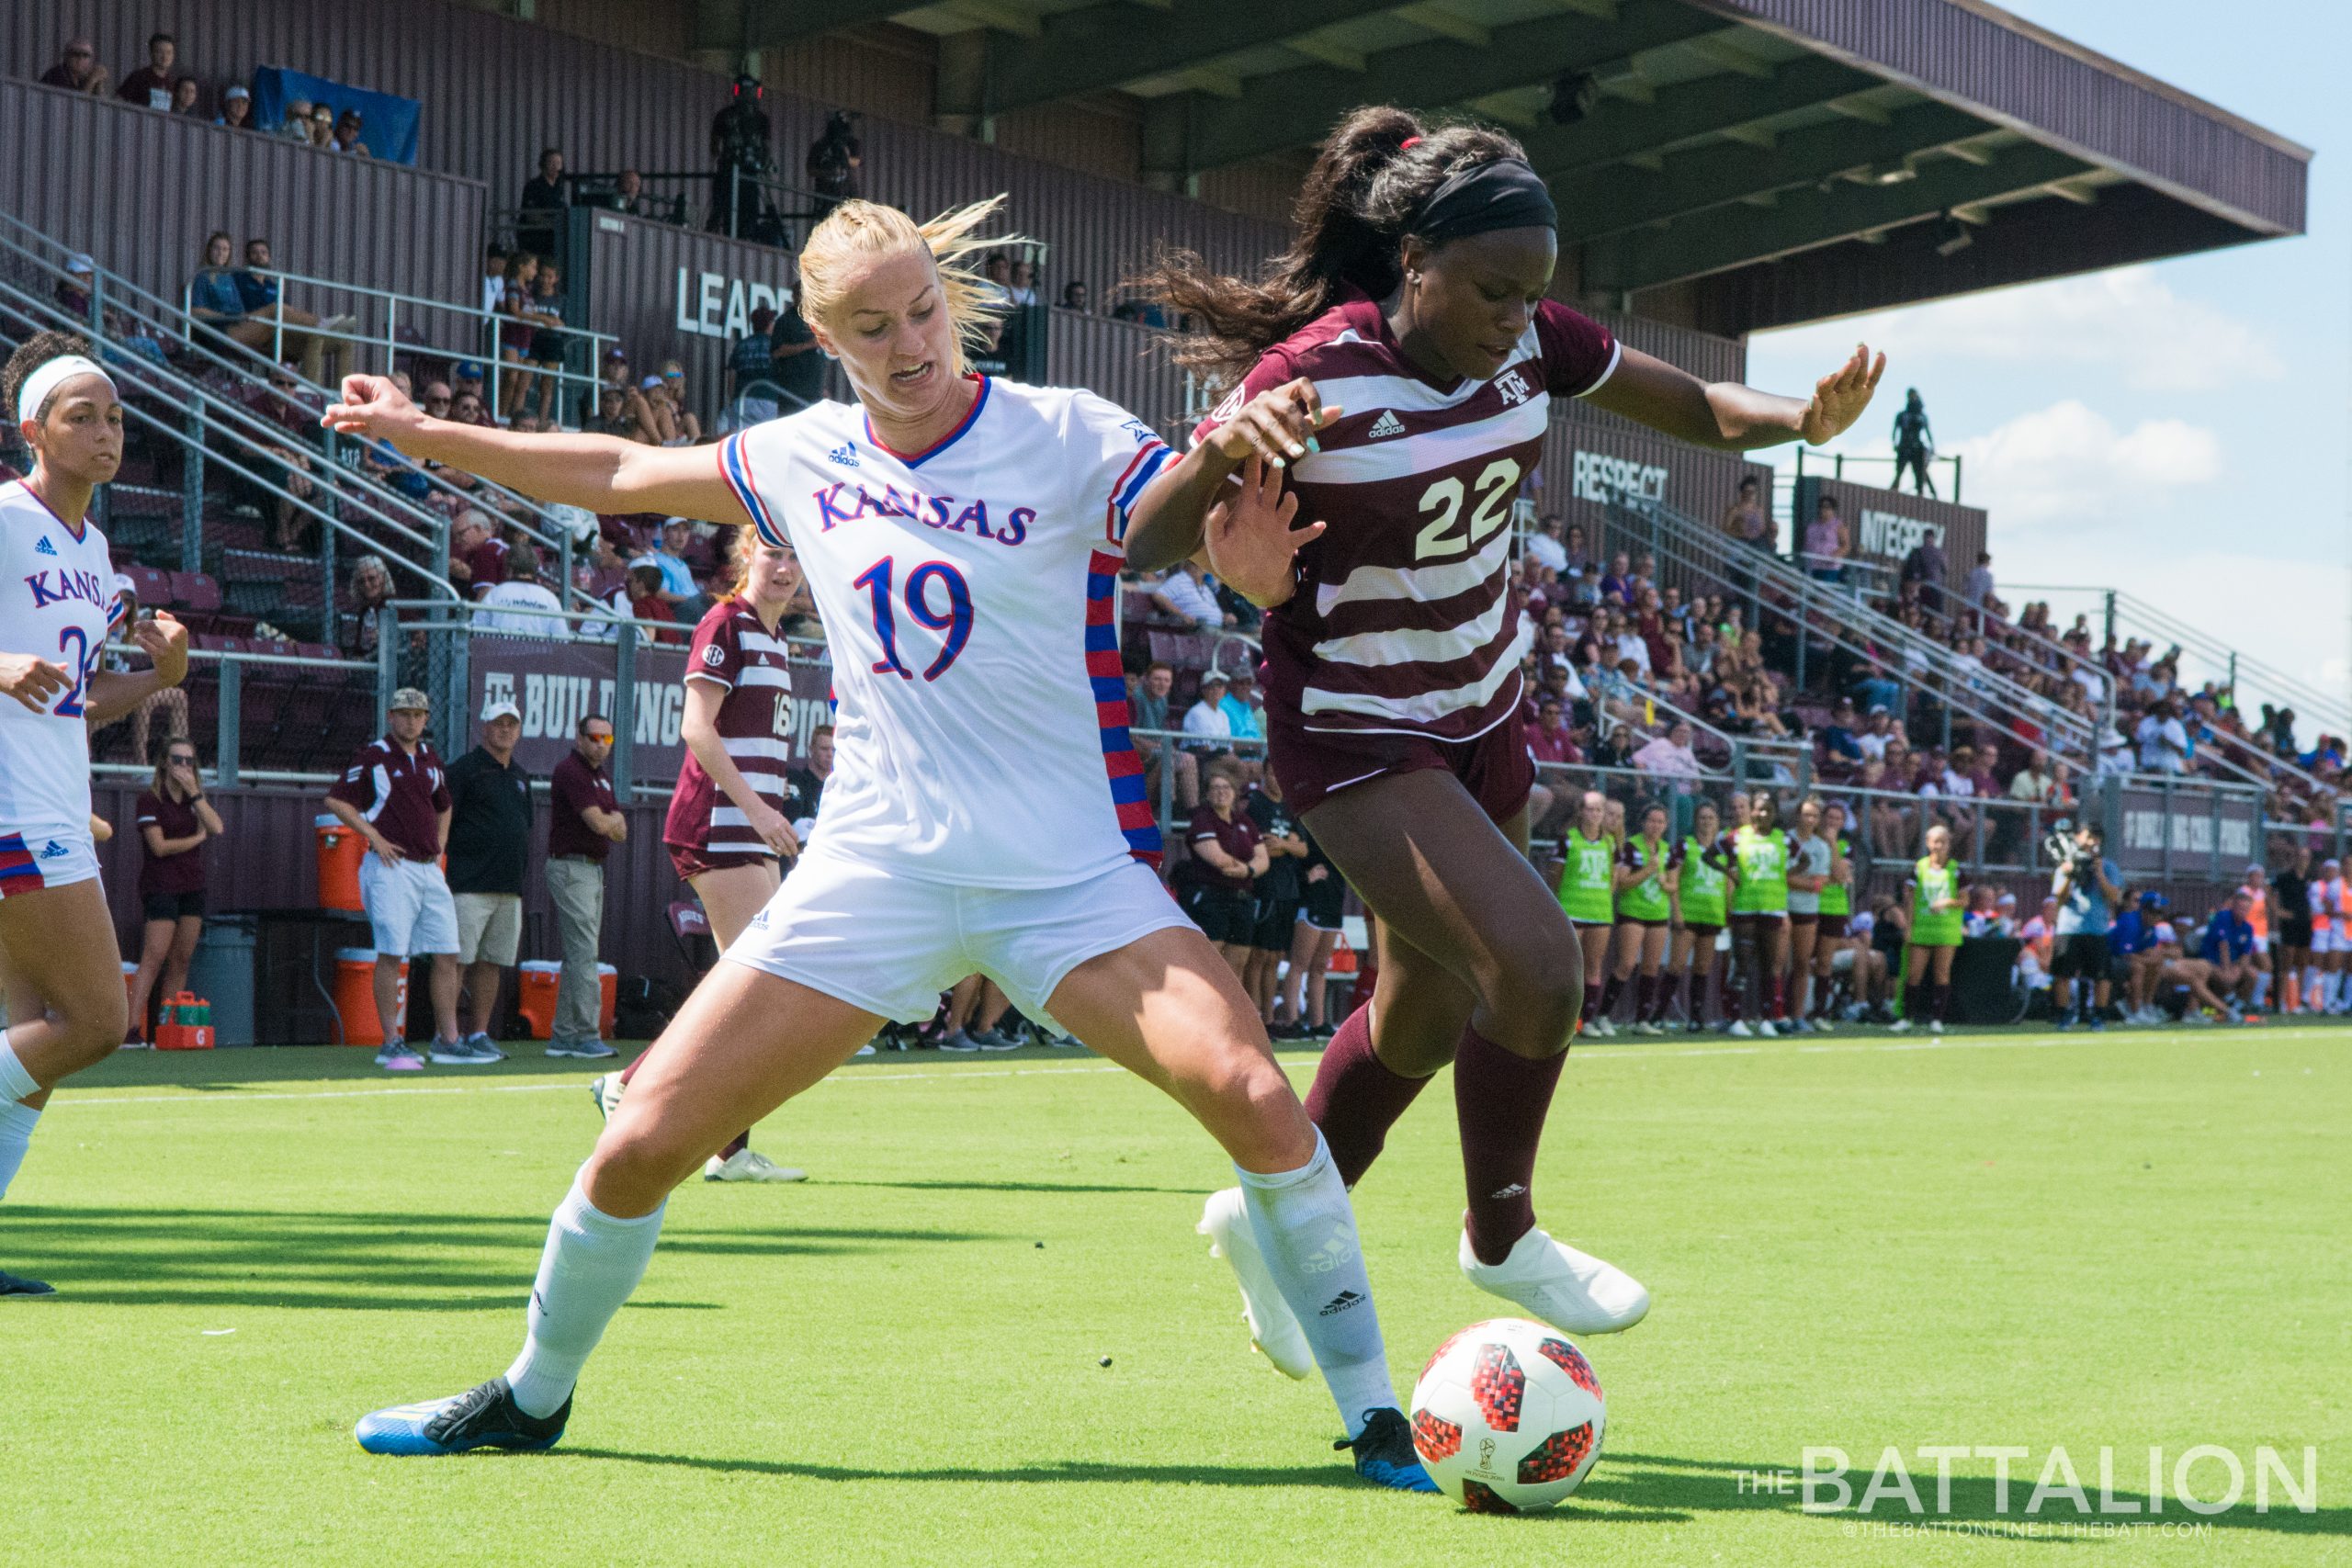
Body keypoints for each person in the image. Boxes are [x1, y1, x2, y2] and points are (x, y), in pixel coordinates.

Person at [328, 192, 1435, 1488]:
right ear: (824, 337)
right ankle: (531, 1393)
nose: (914, 344)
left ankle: (1374, 1415)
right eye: (874, 327)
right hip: (873, 874)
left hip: (1070, 880)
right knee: (636, 1143)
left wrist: (1242, 540)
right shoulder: (801, 455)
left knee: (1256, 1097)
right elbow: (617, 473)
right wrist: (423, 432)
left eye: (925, 310)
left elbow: (1170, 519)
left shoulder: (1067, 431)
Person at [1136, 105, 1881, 1341]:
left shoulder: (1532, 342)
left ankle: (1274, 1224)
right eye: (1492, 291)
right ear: (1413, 261)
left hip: (1483, 713)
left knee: (1422, 1012)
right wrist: (1225, 455)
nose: (1516, 317)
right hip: (1356, 729)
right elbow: (1152, 536)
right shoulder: (1312, 375)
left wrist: (1801, 420)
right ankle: (1502, 1234)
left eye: (1534, 295)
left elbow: (1696, 404)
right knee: (1539, 969)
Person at [0, 335, 190, 1295]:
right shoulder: (2, 516)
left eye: (114, 415)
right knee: (98, 1022)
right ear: (32, 430)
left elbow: (72, 697)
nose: (106, 431)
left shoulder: (94, 550)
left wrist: (158, 678)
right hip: (10, 808)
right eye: (82, 415)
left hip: (49, 801)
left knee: (29, 1037)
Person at [602, 531, 811, 1184]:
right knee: (754, 980)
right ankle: (632, 1082)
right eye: (772, 554)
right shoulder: (727, 621)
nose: (783, 568)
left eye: (794, 556)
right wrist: (757, 808)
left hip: (753, 828)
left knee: (751, 986)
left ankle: (728, 1146)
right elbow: (697, 726)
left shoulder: (777, 638)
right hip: (719, 823)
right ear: (747, 557)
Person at [323, 687, 473, 1069]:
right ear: (391, 716)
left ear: (426, 719)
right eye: (404, 714)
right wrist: (373, 836)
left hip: (427, 868)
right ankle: (391, 1039)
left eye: (417, 714)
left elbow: (445, 804)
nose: (411, 720)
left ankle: (448, 1039)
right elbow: (337, 800)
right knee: (392, 951)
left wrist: (439, 845)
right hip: (391, 868)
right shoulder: (375, 755)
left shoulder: (430, 759)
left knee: (448, 952)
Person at [445, 700, 536, 1062]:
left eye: (512, 724)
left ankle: (479, 1033)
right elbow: (445, 822)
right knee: (457, 961)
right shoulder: (464, 771)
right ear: (483, 727)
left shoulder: (521, 776)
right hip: (468, 884)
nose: (505, 730)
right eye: (499, 723)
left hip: (508, 887)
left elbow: (523, 826)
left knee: (492, 962)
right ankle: (448, 1035)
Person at [126, 738, 225, 1044]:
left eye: (189, 761)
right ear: (165, 763)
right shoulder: (150, 800)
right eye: (177, 760)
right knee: (153, 957)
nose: (183, 766)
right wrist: (197, 840)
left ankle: (165, 1030)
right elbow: (159, 846)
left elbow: (217, 827)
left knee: (181, 960)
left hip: (192, 885)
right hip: (161, 886)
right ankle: (130, 1030)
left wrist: (195, 793)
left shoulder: (195, 800)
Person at [547, 714, 627, 1060]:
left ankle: (564, 1035)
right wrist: (611, 822)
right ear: (579, 738)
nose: (600, 745)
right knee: (584, 953)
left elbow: (621, 832)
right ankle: (586, 1034)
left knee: (579, 953)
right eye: (594, 737)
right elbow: (598, 823)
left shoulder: (601, 778)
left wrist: (611, 823)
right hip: (571, 867)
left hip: (592, 870)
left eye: (607, 739)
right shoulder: (571, 770)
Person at [1713, 793, 1795, 1038]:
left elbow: (1804, 860)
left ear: (1775, 813)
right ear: (1752, 812)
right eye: (1758, 809)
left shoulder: (1783, 839)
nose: (1762, 814)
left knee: (1770, 966)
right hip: (1744, 908)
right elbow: (1709, 855)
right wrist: (1729, 872)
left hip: (1772, 907)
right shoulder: (1738, 836)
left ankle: (1768, 1019)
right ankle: (1735, 1018)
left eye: (1767, 809)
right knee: (1742, 965)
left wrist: (1785, 876)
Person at [1601, 801, 1679, 1035]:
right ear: (1643, 822)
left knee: (1651, 967)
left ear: (1666, 825)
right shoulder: (1631, 847)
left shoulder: (1667, 849)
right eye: (1652, 820)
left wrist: (1666, 884)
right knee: (1626, 965)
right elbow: (1623, 883)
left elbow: (1673, 884)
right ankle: (1602, 1016)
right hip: (1633, 912)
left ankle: (1642, 1019)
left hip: (1658, 913)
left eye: (1660, 822)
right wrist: (1648, 870)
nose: (1655, 826)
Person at [1182, 770, 1268, 976]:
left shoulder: (1245, 821)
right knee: (1211, 963)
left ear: (1234, 792)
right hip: (1214, 898)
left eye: (1226, 787)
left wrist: (1248, 870)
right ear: (1207, 794)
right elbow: (1218, 859)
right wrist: (1249, 867)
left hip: (1243, 899)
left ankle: (1231, 1009)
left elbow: (1264, 858)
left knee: (1238, 962)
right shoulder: (1202, 820)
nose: (1221, 792)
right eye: (1215, 788)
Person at [1550, 792, 1618, 1036]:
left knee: (1594, 966)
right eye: (1590, 809)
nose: (1595, 814)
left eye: (1599, 810)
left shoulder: (1610, 843)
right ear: (1581, 812)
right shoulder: (1568, 840)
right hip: (1572, 910)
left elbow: (1613, 878)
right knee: (1568, 968)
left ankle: (1586, 1021)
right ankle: (1562, 1021)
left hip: (1599, 912)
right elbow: (1555, 875)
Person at [1242, 771, 1308, 1025]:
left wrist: (1283, 844)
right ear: (1264, 772)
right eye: (1272, 771)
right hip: (1263, 888)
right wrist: (1285, 844)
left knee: (1275, 957)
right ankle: (1254, 1019)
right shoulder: (1256, 803)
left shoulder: (1290, 806)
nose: (1277, 777)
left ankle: (1269, 1020)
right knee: (1257, 956)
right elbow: (1262, 846)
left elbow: (1302, 848)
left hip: (1287, 890)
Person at [1890, 822, 1963, 1034]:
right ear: (1928, 843)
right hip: (1922, 928)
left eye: (1943, 842)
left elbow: (1964, 899)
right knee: (1914, 974)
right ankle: (1906, 1018)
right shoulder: (1919, 867)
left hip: (1945, 930)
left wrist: (1946, 902)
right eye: (1935, 842)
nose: (1938, 846)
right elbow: (1910, 898)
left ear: (1948, 844)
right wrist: (1908, 926)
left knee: (1942, 974)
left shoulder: (1955, 869)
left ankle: (1937, 1019)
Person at [1275, 819, 1345, 1040]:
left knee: (1320, 967)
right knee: (1299, 964)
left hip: (1333, 902)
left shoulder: (1341, 833)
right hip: (1311, 902)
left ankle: (1318, 1023)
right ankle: (1291, 1022)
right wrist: (1306, 877)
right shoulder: (1304, 826)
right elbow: (1290, 862)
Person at [1783, 797, 1843, 1034]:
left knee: (1802, 962)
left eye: (1814, 816)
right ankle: (1776, 1014)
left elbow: (1824, 881)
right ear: (1797, 815)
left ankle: (1798, 1015)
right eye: (1806, 815)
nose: (1810, 820)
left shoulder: (1821, 846)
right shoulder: (1786, 839)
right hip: (1783, 906)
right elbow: (1782, 876)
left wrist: (1796, 882)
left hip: (1808, 910)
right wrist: (1804, 882)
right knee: (1779, 963)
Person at [1669, 799, 1727, 1034]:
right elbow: (1673, 880)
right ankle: (1656, 1015)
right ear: (1696, 821)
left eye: (1711, 818)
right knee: (1677, 965)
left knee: (1703, 967)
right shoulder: (1686, 846)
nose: (1706, 822)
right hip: (1688, 913)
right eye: (1702, 818)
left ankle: (1696, 1016)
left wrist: (1727, 913)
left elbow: (1728, 884)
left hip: (1712, 914)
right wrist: (1677, 912)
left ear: (1717, 822)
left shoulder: (1724, 850)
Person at [474, 542, 565, 637]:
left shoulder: (494, 594)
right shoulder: (550, 598)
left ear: (508, 568)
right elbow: (562, 638)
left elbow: (477, 631)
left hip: (500, 650)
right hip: (538, 651)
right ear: (536, 568)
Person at [2273, 843, 2313, 1014]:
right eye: (2300, 856)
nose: (2303, 860)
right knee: (2287, 962)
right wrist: (2278, 911)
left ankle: (2296, 1002)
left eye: (2306, 857)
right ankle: (2281, 1001)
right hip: (2290, 924)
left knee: (2302, 963)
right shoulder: (2285, 877)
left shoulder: (2310, 879)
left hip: (2305, 923)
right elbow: (2269, 890)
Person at [517, 149, 568, 262]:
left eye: (559, 164)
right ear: (543, 165)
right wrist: (555, 224)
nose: (555, 167)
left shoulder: (559, 189)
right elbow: (531, 216)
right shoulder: (534, 186)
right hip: (535, 241)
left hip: (554, 242)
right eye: (551, 163)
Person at [117, 32, 177, 111]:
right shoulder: (139, 77)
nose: (165, 57)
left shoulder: (171, 83)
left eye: (169, 53)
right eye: (160, 52)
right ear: (151, 53)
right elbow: (118, 101)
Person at [1892, 388, 1935, 497]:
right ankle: (1894, 490)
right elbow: (1895, 431)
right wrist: (1895, 444)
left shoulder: (1921, 416)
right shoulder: (1902, 415)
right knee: (1899, 472)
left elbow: (1928, 432)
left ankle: (1922, 493)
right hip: (1904, 446)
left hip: (1916, 447)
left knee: (1919, 472)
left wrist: (1932, 447)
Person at [39, 39, 109, 96]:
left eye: (85, 55)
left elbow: (100, 106)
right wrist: (92, 80)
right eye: (76, 54)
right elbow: (76, 105)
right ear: (66, 56)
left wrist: (99, 82)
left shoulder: (83, 78)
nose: (80, 59)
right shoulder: (56, 74)